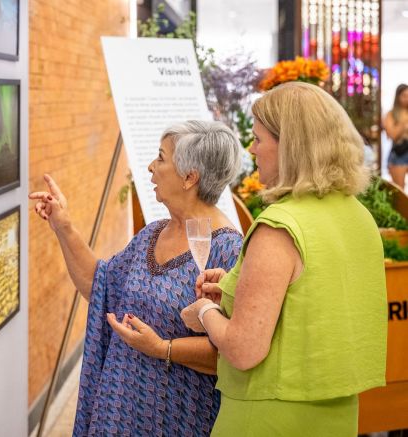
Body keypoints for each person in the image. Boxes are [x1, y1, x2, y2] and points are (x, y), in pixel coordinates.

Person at [114, 81, 386, 436]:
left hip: (268, 416)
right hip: (336, 415)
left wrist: (206, 311)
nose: (251, 149)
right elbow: (311, 305)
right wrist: (231, 289)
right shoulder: (359, 217)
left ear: (290, 146)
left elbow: (243, 350)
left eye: (259, 139)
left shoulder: (279, 227)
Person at [29, 120, 243, 436]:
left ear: (189, 177)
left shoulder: (229, 250)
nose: (150, 167)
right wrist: (64, 226)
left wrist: (163, 348)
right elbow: (100, 286)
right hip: (118, 410)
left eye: (161, 158)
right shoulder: (151, 234)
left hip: (175, 418)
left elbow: (233, 351)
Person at [385, 84, 408, 189]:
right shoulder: (391, 114)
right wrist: (403, 122)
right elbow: (392, 135)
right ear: (398, 97)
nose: (407, 99)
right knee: (399, 189)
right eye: (404, 95)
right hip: (399, 154)